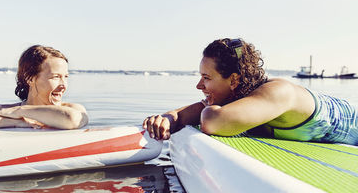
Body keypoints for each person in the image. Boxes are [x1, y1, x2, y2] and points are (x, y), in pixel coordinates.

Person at [143, 38, 358, 145]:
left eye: (207, 78)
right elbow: (183, 116)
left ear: (234, 79)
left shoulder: (278, 93)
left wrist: (205, 109)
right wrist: (167, 119)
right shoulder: (239, 98)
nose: (199, 86)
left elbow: (212, 121)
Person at [0, 45, 88, 130]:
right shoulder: (2, 111)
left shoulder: (72, 109)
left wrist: (20, 111)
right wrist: (16, 122)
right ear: (29, 78)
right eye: (55, 77)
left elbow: (72, 120)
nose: (63, 85)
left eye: (66, 77)